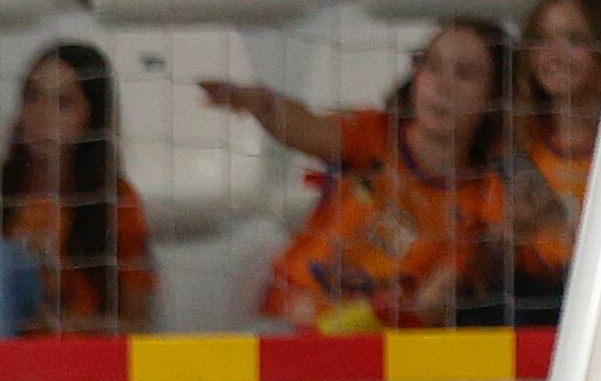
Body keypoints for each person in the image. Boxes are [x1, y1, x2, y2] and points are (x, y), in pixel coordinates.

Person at [213, 19, 515, 333]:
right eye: (432, 66)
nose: (442, 86)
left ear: (495, 96)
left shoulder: (481, 198)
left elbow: (431, 305)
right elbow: (306, 125)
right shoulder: (374, 133)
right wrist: (256, 101)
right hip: (290, 318)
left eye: (464, 74)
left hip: (379, 344)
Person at [0, 40, 157, 358]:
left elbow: (138, 325)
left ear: (92, 119)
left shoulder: (116, 201)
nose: (42, 115)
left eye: (63, 103)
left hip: (74, 366)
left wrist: (61, 324)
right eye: (33, 97)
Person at [498, 0, 601, 329]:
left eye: (575, 40)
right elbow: (485, 262)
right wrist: (512, 233)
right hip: (529, 311)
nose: (554, 55)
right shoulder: (515, 147)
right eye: (542, 40)